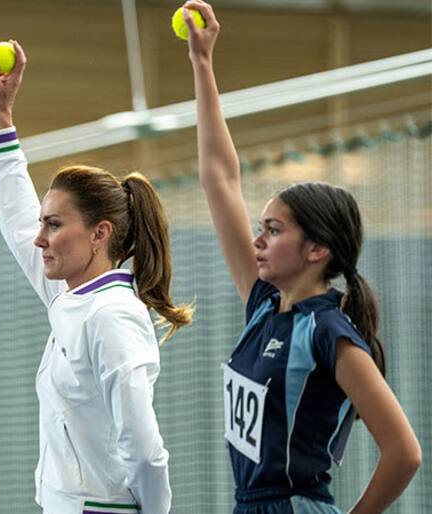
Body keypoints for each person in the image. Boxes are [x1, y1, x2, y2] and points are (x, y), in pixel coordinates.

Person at [182, 2, 422, 512]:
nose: (257, 241)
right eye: (260, 228)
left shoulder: (330, 333)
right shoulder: (266, 305)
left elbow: (404, 452)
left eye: (273, 230)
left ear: (317, 249)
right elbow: (220, 179)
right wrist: (202, 65)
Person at [0, 42, 193, 514]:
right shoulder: (67, 295)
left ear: (100, 234)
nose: (39, 239)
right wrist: (3, 117)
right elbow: (17, 219)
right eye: (43, 223)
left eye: (54, 225)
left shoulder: (113, 316)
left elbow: (145, 450)